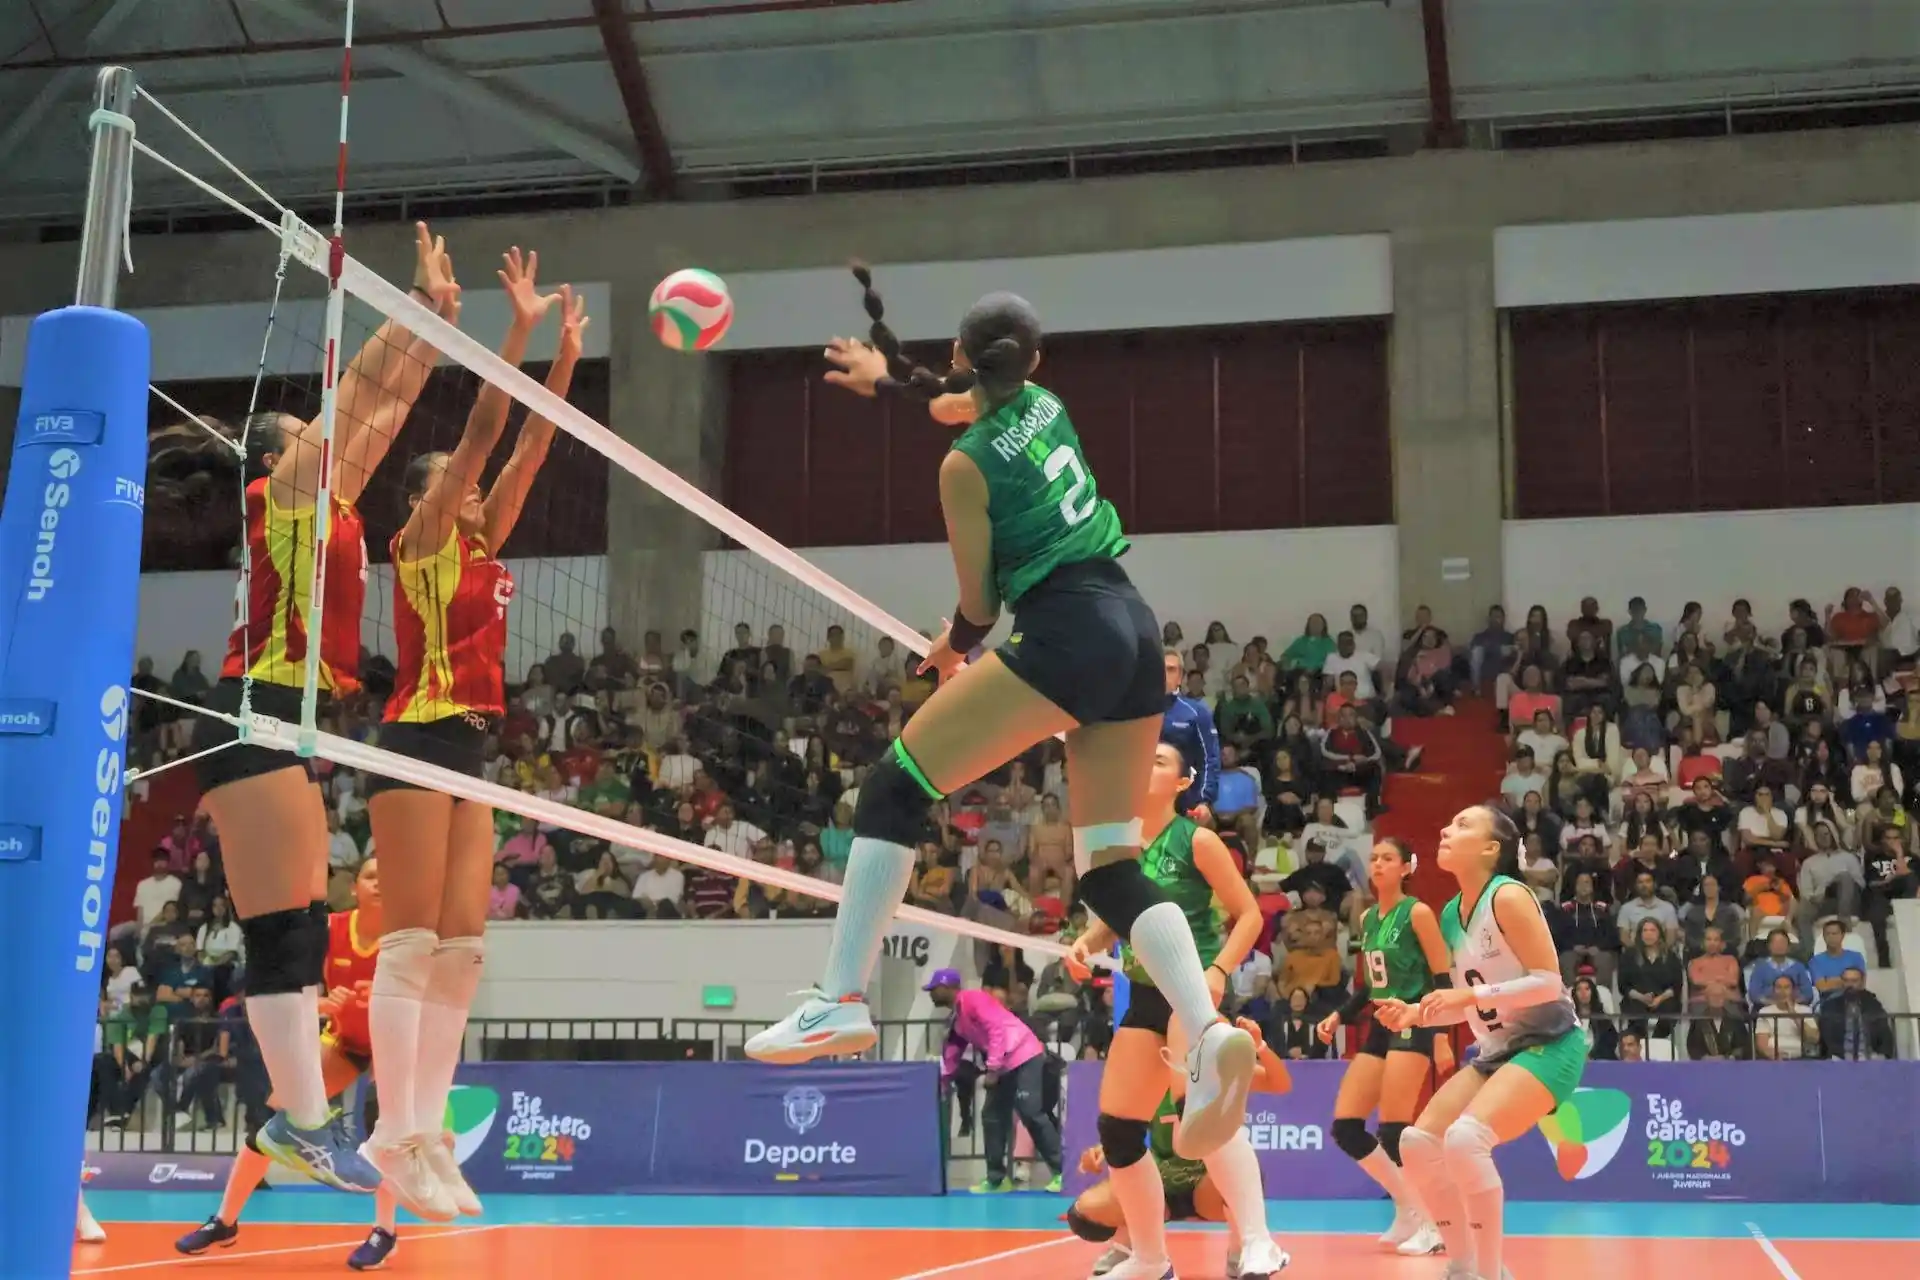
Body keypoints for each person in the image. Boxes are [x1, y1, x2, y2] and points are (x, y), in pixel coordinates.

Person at [746, 267, 1257, 1172]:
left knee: (895, 785)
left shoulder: (963, 466)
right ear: (1035, 359)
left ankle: (839, 998)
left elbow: (979, 604)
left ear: (958, 356)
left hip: (1062, 632)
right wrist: (888, 379)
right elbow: (961, 402)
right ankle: (1210, 1028)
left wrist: (951, 646)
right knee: (1110, 865)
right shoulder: (1048, 403)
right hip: (1135, 627)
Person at [146, 223, 459, 1192]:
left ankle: (298, 1121)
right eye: (316, 444)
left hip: (280, 720)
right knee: (286, 930)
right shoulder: (281, 492)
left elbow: (380, 416)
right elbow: (356, 403)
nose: (337, 451)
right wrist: (408, 311)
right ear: (281, 457)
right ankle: (304, 1122)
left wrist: (434, 332)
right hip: (248, 711)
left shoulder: (327, 510)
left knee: (294, 928)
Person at [360, 257, 583, 1219]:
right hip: (415, 738)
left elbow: (531, 444)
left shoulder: (485, 543)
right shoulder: (418, 542)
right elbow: (489, 430)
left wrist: (568, 358)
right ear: (433, 497)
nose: (485, 493)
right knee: (410, 946)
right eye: (465, 488)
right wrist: (518, 332)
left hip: (474, 750)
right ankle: (394, 1135)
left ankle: (430, 1131)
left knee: (462, 954)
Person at [1064, 742, 1287, 1280]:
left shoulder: (1198, 840)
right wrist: (1087, 941)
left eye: (1160, 761)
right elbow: (1122, 917)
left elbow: (1250, 915)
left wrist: (1217, 972)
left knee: (1201, 1109)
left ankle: (1259, 1242)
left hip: (1192, 988)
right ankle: (1149, 1258)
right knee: (1117, 1130)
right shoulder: (1119, 845)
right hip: (1143, 992)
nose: (1146, 764)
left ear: (1184, 782)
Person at [1377, 805, 1587, 1280]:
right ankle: (1463, 1266)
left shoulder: (1508, 896)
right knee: (1417, 1142)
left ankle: (1489, 1274)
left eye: (1464, 825)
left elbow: (1548, 984)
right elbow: (1467, 1000)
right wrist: (1418, 1011)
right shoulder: (1453, 913)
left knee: (1466, 1138)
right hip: (1496, 1051)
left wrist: (1469, 994)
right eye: (1449, 823)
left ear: (1492, 849)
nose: (1447, 829)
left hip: (1551, 1043)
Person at [176, 859, 405, 1270]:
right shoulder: (333, 930)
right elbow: (296, 989)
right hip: (345, 1040)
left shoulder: (403, 940)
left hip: (396, 1044)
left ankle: (385, 1232)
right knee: (274, 1118)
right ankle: (225, 1221)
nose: (380, 884)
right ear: (354, 888)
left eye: (388, 877)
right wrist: (319, 1004)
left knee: (386, 1131)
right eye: (372, 876)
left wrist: (389, 995)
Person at [1315, 839, 1455, 1257]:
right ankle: (1408, 1209)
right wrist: (1340, 1014)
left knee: (1394, 1130)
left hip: (1415, 1021)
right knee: (1346, 1127)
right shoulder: (1370, 916)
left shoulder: (1418, 913)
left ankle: (1433, 1224)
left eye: (1387, 859)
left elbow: (1442, 977)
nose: (1377, 864)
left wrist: (1443, 1035)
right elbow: (1370, 984)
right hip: (1380, 1023)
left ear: (1406, 867)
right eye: (1373, 858)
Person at [1071, 1018, 1293, 1280]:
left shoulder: (1214, 1071)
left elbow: (1280, 1084)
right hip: (1161, 1185)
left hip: (1204, 1187)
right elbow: (1127, 1133)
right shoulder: (1147, 1080)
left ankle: (1241, 1248)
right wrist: (1100, 1151)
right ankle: (1131, 1248)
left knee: (1240, 1177)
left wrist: (1261, 1047)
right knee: (1083, 1211)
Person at [924, 969, 1063, 1194]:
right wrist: (943, 1082)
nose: (931, 993)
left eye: (934, 989)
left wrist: (993, 1068)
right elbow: (952, 1051)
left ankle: (1062, 1172)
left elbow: (996, 1029)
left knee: (1030, 1111)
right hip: (1004, 1064)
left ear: (948, 987)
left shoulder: (973, 999)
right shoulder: (958, 1017)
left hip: (1024, 1053)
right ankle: (997, 1180)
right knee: (992, 1116)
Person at [1161, 647, 1220, 823]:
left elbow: (1210, 758)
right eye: (1160, 669)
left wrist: (1204, 800)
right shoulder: (1136, 712)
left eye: (1171, 669)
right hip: (1144, 803)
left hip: (1185, 802)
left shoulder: (1196, 712)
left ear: (1180, 677)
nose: (1164, 674)